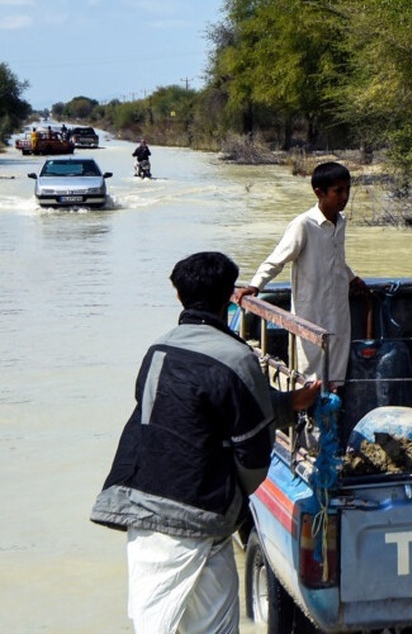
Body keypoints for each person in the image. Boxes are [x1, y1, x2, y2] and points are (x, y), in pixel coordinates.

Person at [90, 251, 321, 634]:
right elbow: (253, 452)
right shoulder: (237, 357)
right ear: (229, 296)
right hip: (202, 514)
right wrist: (229, 498)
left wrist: (286, 403)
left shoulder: (158, 350)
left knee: (153, 623)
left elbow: (166, 418)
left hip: (144, 509)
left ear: (179, 298)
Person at [234, 160, 366, 387]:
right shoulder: (304, 224)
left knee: (335, 370)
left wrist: (353, 278)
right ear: (319, 193)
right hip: (311, 309)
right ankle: (308, 416)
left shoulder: (340, 222)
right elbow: (276, 260)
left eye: (347, 190)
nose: (344, 197)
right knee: (310, 371)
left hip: (338, 308)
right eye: (338, 191)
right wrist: (255, 286)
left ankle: (332, 409)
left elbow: (336, 259)